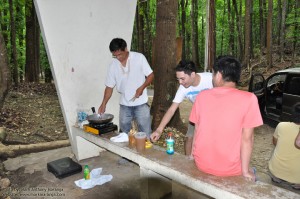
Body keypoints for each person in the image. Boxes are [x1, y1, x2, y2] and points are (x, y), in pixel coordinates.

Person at [189, 55, 263, 181]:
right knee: (255, 173)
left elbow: (197, 129)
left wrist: (192, 156)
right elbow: (247, 139)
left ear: (219, 75)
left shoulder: (202, 96)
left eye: (213, 74)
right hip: (229, 169)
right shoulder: (249, 99)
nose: (212, 78)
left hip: (201, 163)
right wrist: (245, 172)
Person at [150, 60, 213, 155]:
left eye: (182, 79)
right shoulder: (183, 88)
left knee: (209, 141)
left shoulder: (210, 79)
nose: (180, 82)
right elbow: (171, 110)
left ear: (192, 74)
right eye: (178, 79)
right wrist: (159, 130)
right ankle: (187, 162)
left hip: (214, 114)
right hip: (198, 113)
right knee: (189, 138)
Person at [98, 38, 154, 137]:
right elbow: (109, 87)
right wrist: (103, 104)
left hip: (141, 103)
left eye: (120, 54)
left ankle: (145, 151)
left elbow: (151, 75)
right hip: (124, 104)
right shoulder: (113, 65)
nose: (118, 58)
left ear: (126, 49)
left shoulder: (139, 58)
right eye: (115, 55)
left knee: (145, 133)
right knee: (123, 134)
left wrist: (142, 87)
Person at [268, 104, 300, 190]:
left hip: (276, 171)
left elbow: (275, 142)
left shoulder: (281, 125)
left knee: (276, 148)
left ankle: (276, 179)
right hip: (297, 178)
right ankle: (296, 185)